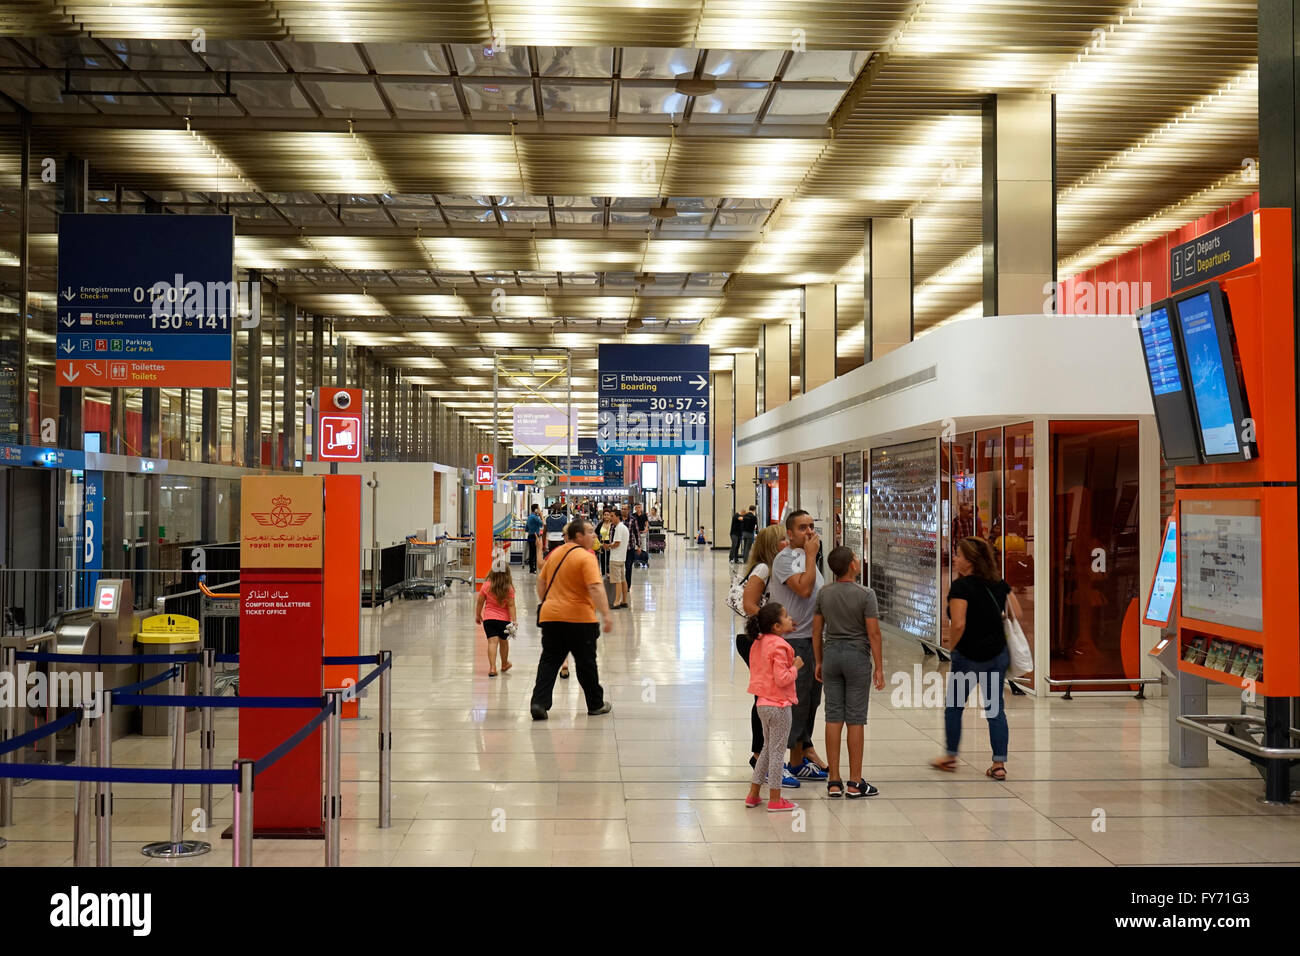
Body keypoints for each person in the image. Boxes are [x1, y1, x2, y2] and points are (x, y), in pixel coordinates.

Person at [931, 536, 1020, 780]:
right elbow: (1016, 613)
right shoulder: (999, 584)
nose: (956, 559)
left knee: (954, 707)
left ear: (969, 560)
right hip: (997, 654)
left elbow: (958, 623)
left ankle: (950, 756)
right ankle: (999, 764)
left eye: (958, 555)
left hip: (969, 655)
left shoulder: (962, 587)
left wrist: (953, 649)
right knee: (995, 709)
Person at [812, 546, 883, 798]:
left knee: (833, 717)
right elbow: (873, 633)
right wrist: (880, 668)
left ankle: (833, 781)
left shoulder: (824, 593)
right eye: (855, 557)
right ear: (852, 566)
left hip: (831, 655)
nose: (857, 560)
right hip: (857, 657)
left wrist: (819, 662)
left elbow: (816, 631)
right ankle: (855, 782)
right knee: (855, 718)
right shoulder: (866, 594)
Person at [529, 517, 613, 720]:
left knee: (549, 661)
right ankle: (595, 704)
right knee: (586, 663)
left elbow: (541, 584)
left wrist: (552, 602)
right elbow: (595, 587)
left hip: (552, 618)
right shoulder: (586, 558)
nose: (593, 535)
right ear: (578, 536)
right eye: (590, 532)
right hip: (580, 620)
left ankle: (539, 704)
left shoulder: (556, 554)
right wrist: (606, 614)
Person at [737, 524, 802, 788]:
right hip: (755, 640)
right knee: (765, 695)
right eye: (782, 541)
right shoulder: (764, 568)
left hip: (762, 638)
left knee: (765, 695)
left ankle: (764, 757)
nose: (787, 545)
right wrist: (771, 628)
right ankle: (759, 756)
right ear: (772, 546)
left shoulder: (774, 569)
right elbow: (749, 604)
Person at [767, 509, 830, 781]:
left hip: (812, 639)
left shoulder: (806, 558)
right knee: (796, 702)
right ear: (789, 533)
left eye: (811, 526)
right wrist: (812, 555)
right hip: (793, 642)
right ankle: (785, 762)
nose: (809, 532)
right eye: (802, 527)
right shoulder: (787, 559)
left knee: (811, 701)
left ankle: (800, 756)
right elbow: (804, 589)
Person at [743, 602, 802, 813]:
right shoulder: (780, 646)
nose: (790, 619)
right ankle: (776, 799)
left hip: (762, 704)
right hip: (779, 706)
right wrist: (795, 667)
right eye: (786, 616)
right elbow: (782, 678)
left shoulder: (759, 642)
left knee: (767, 750)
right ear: (776, 626)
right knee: (777, 753)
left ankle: (753, 794)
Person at [475, 550, 517, 678]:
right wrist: (514, 621)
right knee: (503, 642)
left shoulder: (486, 586)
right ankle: (504, 664)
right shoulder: (508, 588)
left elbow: (480, 602)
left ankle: (492, 667)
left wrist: (478, 615)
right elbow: (511, 605)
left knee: (492, 643)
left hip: (489, 619)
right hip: (504, 620)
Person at [607, 509, 629, 609]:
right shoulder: (624, 527)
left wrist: (608, 546)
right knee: (623, 579)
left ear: (617, 517)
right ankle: (624, 600)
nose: (610, 518)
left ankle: (616, 602)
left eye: (612, 516)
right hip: (622, 557)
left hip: (616, 558)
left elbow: (617, 543)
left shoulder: (619, 528)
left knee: (617, 581)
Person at [622, 505, 643, 593]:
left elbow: (637, 533)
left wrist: (639, 546)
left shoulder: (632, 520)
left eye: (625, 509)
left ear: (628, 510)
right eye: (622, 509)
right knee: (619, 568)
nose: (623, 510)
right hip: (620, 549)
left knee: (628, 567)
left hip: (630, 547)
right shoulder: (618, 519)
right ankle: (620, 586)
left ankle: (627, 586)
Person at [525, 504, 544, 574]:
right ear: (536, 509)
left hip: (530, 535)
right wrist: (541, 515)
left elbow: (526, 528)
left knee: (531, 553)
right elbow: (542, 523)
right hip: (535, 536)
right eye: (538, 508)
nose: (539, 510)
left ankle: (531, 568)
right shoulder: (535, 517)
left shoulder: (529, 517)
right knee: (536, 552)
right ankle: (536, 568)